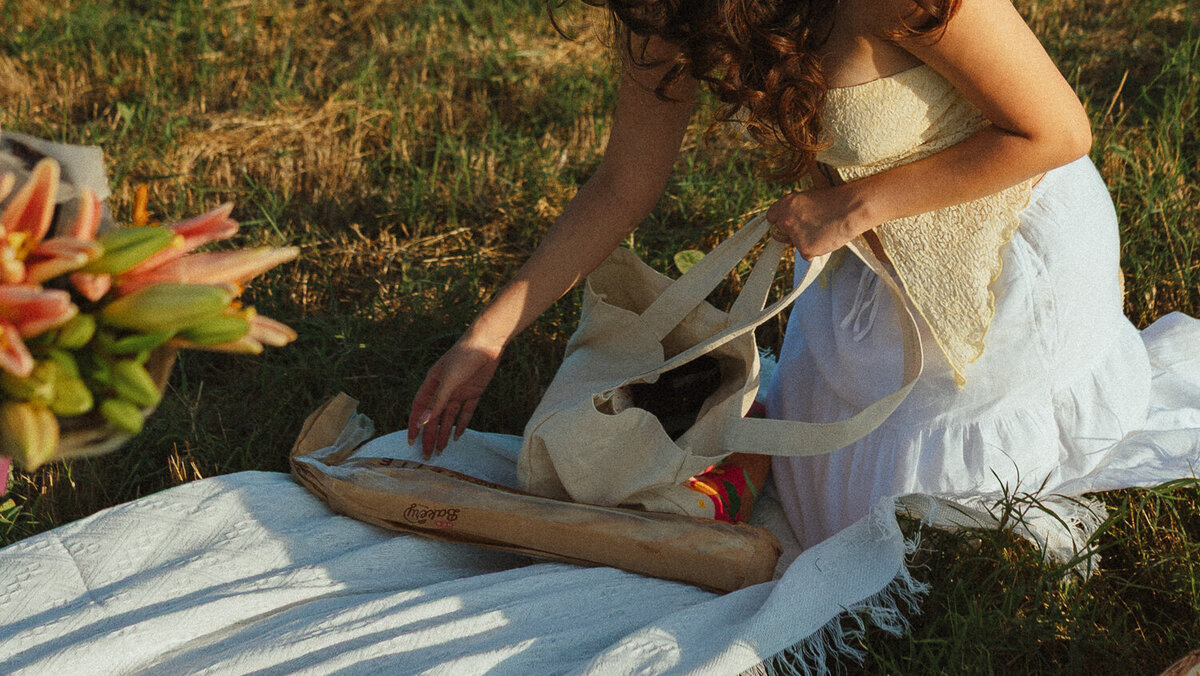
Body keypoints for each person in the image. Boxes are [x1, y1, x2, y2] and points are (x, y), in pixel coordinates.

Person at [407, 0, 1196, 547]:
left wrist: (853, 206)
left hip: (1011, 248)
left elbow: (1057, 130)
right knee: (826, 500)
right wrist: (490, 334)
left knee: (921, 517)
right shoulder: (680, 13)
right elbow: (623, 185)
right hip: (873, 275)